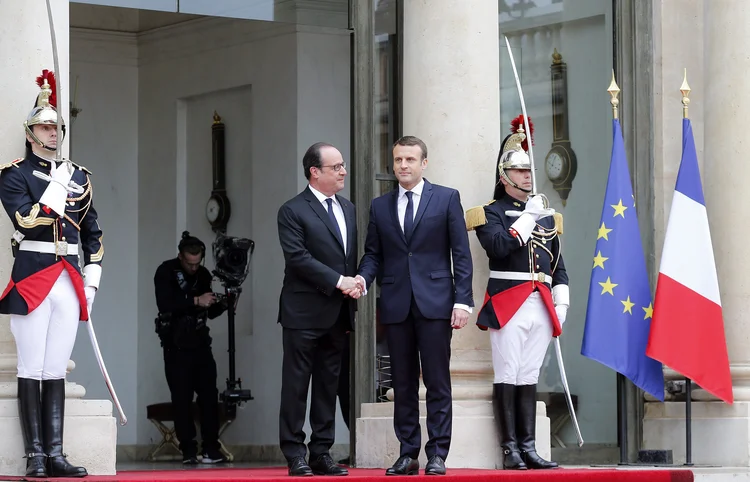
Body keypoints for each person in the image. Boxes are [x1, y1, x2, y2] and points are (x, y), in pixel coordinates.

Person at [0, 70, 101, 478]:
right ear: (30, 132)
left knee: (56, 368)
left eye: (57, 126)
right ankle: (35, 456)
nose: (54, 132)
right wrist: (56, 189)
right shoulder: (14, 174)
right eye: (45, 126)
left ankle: (56, 454)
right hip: (33, 275)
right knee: (31, 367)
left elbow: (93, 230)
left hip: (69, 277)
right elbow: (25, 220)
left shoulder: (79, 175)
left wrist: (91, 279)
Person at [357, 136, 474, 476]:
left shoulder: (447, 198)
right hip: (396, 305)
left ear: (424, 163)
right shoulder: (380, 206)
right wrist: (363, 280)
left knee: (437, 382)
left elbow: (461, 255)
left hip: (436, 304)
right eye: (398, 160)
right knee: (403, 384)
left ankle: (437, 454)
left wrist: (463, 301)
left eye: (409, 159)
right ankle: (407, 453)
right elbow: (373, 254)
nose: (403, 166)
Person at [465, 115, 567, 470]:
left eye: (528, 171)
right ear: (504, 176)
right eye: (519, 171)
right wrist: (527, 218)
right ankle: (510, 449)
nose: (527, 176)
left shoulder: (545, 215)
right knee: (507, 372)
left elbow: (558, 264)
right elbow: (497, 248)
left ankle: (529, 446)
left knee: (529, 375)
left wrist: (562, 299)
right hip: (509, 302)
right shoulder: (489, 213)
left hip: (541, 303)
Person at [277, 142, 359, 477]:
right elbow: (298, 258)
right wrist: (341, 280)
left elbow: (349, 256)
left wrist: (358, 281)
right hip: (303, 312)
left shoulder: (348, 208)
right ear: (314, 171)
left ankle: (321, 451)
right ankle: (295, 452)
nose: (343, 171)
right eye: (336, 166)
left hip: (337, 313)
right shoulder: (293, 210)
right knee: (296, 386)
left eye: (342, 165)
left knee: (328, 384)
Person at [154, 231, 228, 464]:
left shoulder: (204, 274)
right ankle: (188, 450)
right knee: (181, 398)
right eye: (189, 263)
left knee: (208, 396)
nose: (194, 267)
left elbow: (210, 311)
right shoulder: (165, 271)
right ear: (180, 256)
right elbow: (165, 303)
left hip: (200, 342)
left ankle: (211, 449)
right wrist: (196, 300)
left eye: (197, 263)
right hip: (175, 344)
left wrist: (225, 303)